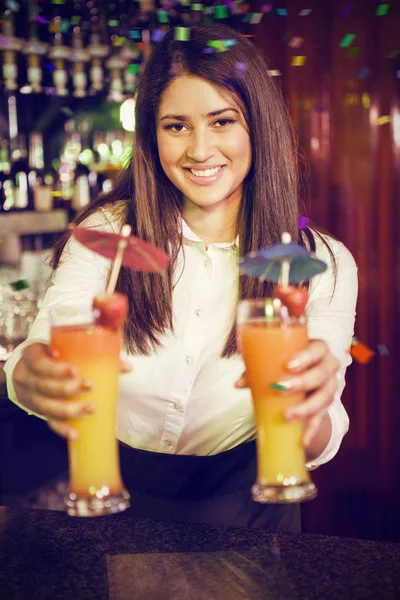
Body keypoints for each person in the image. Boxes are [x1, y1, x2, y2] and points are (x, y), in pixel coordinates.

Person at [4, 23, 358, 532]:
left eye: (221, 121)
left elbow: (326, 426)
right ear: (151, 135)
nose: (199, 149)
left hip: (251, 509)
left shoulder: (318, 262)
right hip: (112, 501)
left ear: (258, 125)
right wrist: (31, 374)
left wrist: (309, 414)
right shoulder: (107, 234)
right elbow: (50, 341)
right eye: (176, 126)